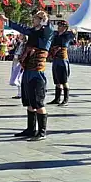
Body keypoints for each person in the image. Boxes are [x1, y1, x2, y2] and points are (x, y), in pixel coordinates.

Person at [10, 11, 56, 141]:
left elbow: (49, 28)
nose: (33, 21)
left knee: (38, 103)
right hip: (28, 70)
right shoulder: (33, 31)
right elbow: (23, 29)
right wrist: (8, 22)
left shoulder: (46, 32)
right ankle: (31, 129)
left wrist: (45, 21)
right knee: (29, 101)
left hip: (37, 72)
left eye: (35, 19)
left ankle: (42, 131)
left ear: (41, 20)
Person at [48, 20, 77, 106]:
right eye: (58, 25)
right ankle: (57, 99)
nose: (58, 27)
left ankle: (65, 99)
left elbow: (73, 34)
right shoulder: (55, 35)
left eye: (60, 26)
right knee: (56, 81)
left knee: (64, 81)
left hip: (62, 59)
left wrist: (74, 31)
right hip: (55, 59)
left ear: (65, 27)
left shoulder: (67, 35)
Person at [8, 34, 25, 99]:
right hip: (16, 60)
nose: (19, 35)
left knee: (19, 76)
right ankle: (19, 93)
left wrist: (19, 57)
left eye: (21, 34)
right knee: (17, 76)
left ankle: (21, 93)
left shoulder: (25, 44)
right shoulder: (19, 43)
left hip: (20, 62)